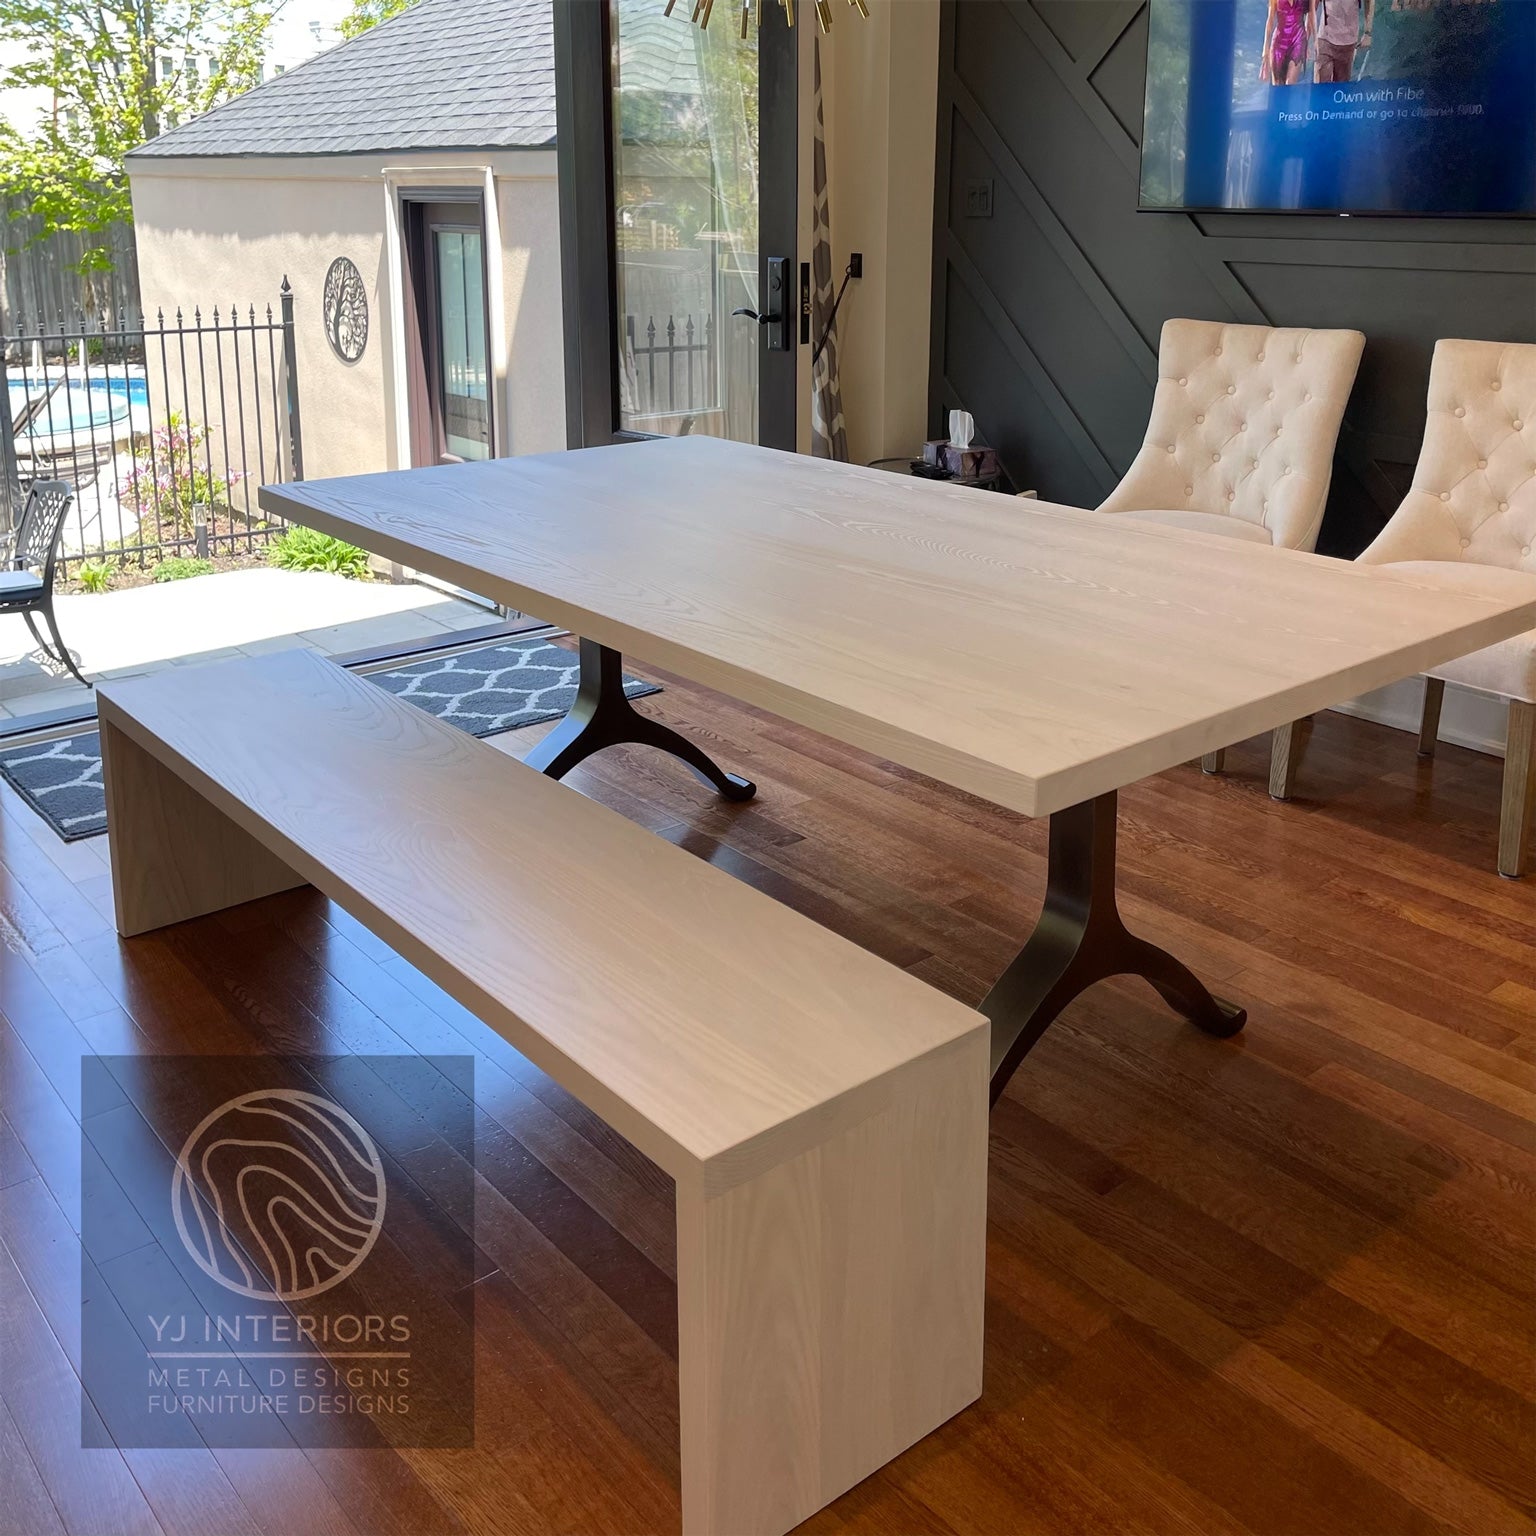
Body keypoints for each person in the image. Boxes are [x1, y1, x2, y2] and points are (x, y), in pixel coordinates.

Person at [1315, 0, 1374, 83]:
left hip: (1348, 42)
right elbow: (1313, 5)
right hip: (1325, 38)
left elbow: (1369, 2)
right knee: (1321, 88)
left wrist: (1368, 32)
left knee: (1341, 89)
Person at [1260, 0, 1314, 85]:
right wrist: (1265, 49)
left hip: (1298, 40)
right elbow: (1270, 21)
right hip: (1279, 42)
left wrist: (1306, 41)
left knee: (1290, 84)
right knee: (1278, 86)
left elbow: (1310, 16)